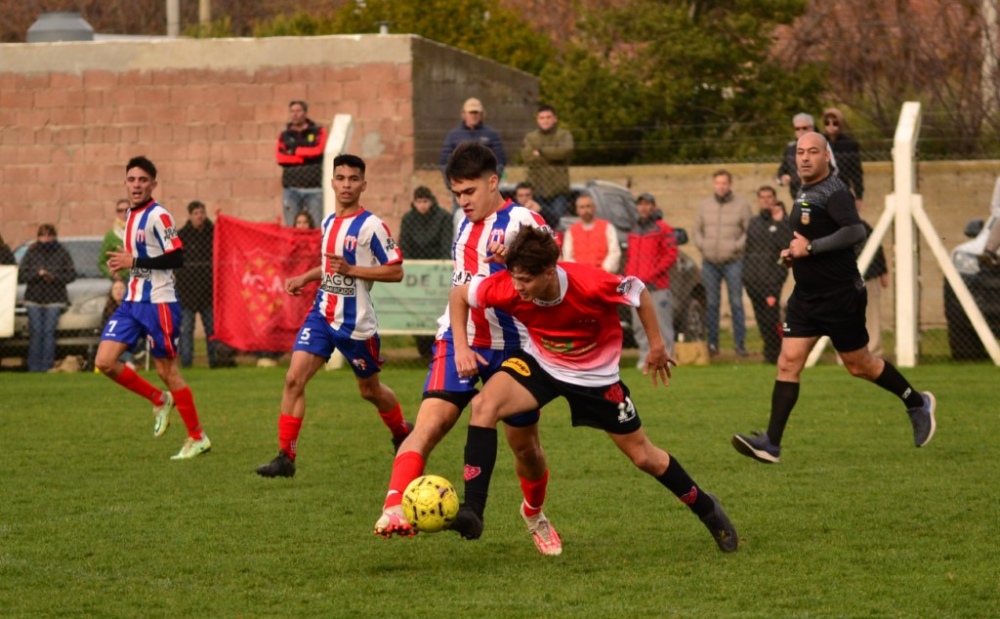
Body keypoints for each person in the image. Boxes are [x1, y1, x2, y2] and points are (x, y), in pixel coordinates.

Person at [449, 226, 738, 554]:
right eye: (514, 277)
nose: (518, 287)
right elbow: (459, 295)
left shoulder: (590, 282)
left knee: (644, 456)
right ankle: (473, 510)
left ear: (549, 272)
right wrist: (461, 347)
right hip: (541, 363)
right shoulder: (508, 287)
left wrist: (657, 345)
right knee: (484, 406)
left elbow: (639, 291)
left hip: (596, 378)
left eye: (526, 280)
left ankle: (707, 509)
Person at [373, 142, 560, 557]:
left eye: (470, 191)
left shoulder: (526, 222)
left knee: (525, 447)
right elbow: (460, 291)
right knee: (429, 424)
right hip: (461, 339)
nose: (463, 201)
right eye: (457, 193)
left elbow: (552, 278)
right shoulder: (464, 226)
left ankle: (534, 513)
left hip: (515, 346)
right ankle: (392, 509)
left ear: (493, 183)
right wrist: (459, 345)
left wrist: (509, 262)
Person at [731, 132, 936, 464]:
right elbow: (811, 234)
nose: (805, 158)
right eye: (800, 152)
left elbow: (855, 231)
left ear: (827, 157)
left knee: (860, 366)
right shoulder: (804, 190)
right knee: (788, 362)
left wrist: (809, 248)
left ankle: (916, 402)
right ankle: (771, 444)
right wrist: (794, 252)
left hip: (840, 296)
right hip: (807, 297)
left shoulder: (835, 190)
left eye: (813, 151)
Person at [256, 154, 412, 478]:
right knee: (293, 378)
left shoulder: (371, 225)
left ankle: (400, 431)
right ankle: (286, 456)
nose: (346, 184)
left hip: (357, 326)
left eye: (353, 179)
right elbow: (330, 267)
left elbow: (396, 271)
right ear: (332, 182)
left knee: (369, 391)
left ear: (363, 184)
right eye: (340, 178)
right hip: (322, 314)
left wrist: (353, 269)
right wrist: (305, 277)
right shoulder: (328, 222)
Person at [95, 156, 211, 460]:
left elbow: (177, 258)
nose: (136, 185)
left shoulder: (159, 215)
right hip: (132, 302)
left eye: (143, 180)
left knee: (167, 371)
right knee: (105, 361)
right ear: (125, 183)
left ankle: (197, 437)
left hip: (159, 303)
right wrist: (123, 263)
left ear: (153, 184)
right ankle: (159, 399)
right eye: (132, 179)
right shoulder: (131, 216)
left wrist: (134, 262)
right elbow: (142, 257)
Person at [694, 170, 752, 357]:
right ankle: (712, 344)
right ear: (713, 184)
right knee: (711, 304)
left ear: (730, 184)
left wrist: (736, 247)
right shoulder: (704, 206)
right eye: (717, 183)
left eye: (724, 183)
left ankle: (740, 345)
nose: (721, 186)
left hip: (733, 262)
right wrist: (703, 246)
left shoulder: (742, 205)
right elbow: (697, 230)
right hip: (709, 262)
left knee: (736, 303)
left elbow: (748, 231)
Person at [398, 185, 454, 360]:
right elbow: (405, 244)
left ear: (431, 201)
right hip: (415, 272)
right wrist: (411, 267)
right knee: (417, 309)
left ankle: (438, 346)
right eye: (419, 202)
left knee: (436, 308)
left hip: (437, 271)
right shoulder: (408, 219)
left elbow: (445, 245)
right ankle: (423, 350)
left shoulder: (444, 217)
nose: (422, 205)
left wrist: (439, 268)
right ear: (414, 202)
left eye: (425, 201)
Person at [623, 192, 678, 365]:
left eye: (647, 204)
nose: (643, 208)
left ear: (654, 207)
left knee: (662, 326)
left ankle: (666, 359)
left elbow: (671, 255)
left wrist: (651, 273)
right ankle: (645, 358)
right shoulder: (633, 230)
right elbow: (630, 256)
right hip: (635, 289)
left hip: (657, 286)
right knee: (639, 326)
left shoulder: (663, 228)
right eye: (640, 204)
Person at [743, 187, 792, 364]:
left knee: (772, 319)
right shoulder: (754, 222)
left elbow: (786, 248)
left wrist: (779, 223)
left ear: (774, 199)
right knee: (761, 319)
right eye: (762, 197)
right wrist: (745, 275)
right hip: (752, 280)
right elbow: (747, 250)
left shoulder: (783, 222)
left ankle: (777, 354)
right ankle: (769, 354)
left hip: (771, 281)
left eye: (769, 197)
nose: (765, 200)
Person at [19, 223, 76, 372]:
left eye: (49, 235)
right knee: (36, 332)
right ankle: (34, 367)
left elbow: (71, 275)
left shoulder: (62, 252)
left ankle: (46, 366)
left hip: (55, 299)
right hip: (34, 299)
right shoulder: (31, 252)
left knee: (49, 332)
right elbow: (21, 275)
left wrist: (54, 277)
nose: (45, 238)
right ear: (38, 236)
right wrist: (37, 274)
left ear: (54, 236)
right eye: (42, 235)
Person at [175, 200, 216, 369]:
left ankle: (215, 362)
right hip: (187, 293)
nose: (200, 216)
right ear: (190, 216)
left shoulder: (213, 233)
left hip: (208, 291)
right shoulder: (182, 235)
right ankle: (186, 363)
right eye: (196, 213)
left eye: (202, 213)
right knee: (187, 330)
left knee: (212, 329)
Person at [276, 100, 328, 227]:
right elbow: (280, 158)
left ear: (305, 113)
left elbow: (318, 150)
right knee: (292, 229)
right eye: (292, 111)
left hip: (314, 189)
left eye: (298, 111)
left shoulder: (318, 131)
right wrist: (302, 158)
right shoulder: (284, 135)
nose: (295, 114)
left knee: (316, 227)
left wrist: (294, 151)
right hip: (291, 189)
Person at [521, 104, 574, 228]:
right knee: (537, 224)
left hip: (558, 191)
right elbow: (527, 157)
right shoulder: (530, 137)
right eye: (542, 118)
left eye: (548, 117)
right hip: (537, 189)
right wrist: (553, 155)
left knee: (557, 224)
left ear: (555, 119)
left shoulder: (564, 135)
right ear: (537, 120)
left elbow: (565, 151)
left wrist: (541, 152)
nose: (545, 121)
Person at [439, 98, 506, 191]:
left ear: (482, 115)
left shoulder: (492, 135)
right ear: (463, 114)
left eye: (476, 113)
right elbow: (444, 162)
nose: (473, 116)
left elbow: (500, 161)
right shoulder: (453, 135)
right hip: (461, 185)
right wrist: (451, 184)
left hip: (485, 187)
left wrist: (491, 183)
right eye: (471, 113)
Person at [853, 202, 889, 356]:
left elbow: (877, 248)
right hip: (844, 279)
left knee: (872, 314)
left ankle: (873, 351)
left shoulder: (864, 227)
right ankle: (849, 352)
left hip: (868, 277)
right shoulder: (832, 228)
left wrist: (883, 272)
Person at [561, 190, 621, 273]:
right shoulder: (571, 231)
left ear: (594, 208)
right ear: (577, 210)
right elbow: (567, 256)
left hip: (602, 275)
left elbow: (614, 252)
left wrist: (604, 269)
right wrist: (579, 272)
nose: (585, 210)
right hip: (580, 277)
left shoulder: (607, 227)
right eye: (582, 207)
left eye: (588, 206)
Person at [822, 107, 864, 208]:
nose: (831, 126)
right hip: (822, 189)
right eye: (827, 123)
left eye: (835, 123)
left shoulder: (849, 144)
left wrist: (859, 196)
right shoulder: (820, 142)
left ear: (840, 124)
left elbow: (856, 172)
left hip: (842, 189)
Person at [776, 113, 815, 202]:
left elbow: (833, 170)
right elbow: (781, 171)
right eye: (797, 129)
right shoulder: (790, 148)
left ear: (812, 128)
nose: (801, 131)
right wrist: (783, 178)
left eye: (804, 128)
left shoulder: (822, 145)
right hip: (797, 196)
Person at [101, 279, 135, 369]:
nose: (118, 291)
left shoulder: (132, 307)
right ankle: (123, 363)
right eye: (115, 289)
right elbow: (104, 327)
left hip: (129, 338)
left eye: (121, 288)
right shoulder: (108, 309)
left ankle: (126, 362)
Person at [99, 199, 132, 281]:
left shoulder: (139, 231)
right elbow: (101, 262)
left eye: (127, 210)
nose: (124, 214)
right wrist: (113, 274)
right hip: (120, 280)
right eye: (120, 211)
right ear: (116, 213)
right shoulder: (111, 236)